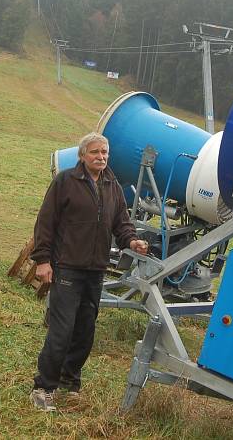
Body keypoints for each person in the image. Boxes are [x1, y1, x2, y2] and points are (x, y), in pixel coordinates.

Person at [29, 132, 148, 411]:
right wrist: (43, 261)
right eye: (95, 152)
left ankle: (70, 382)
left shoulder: (112, 185)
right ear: (82, 155)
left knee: (85, 331)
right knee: (62, 330)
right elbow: (45, 222)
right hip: (67, 267)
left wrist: (132, 240)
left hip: (95, 270)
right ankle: (43, 388)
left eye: (105, 152)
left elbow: (121, 222)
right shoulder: (66, 182)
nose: (101, 157)